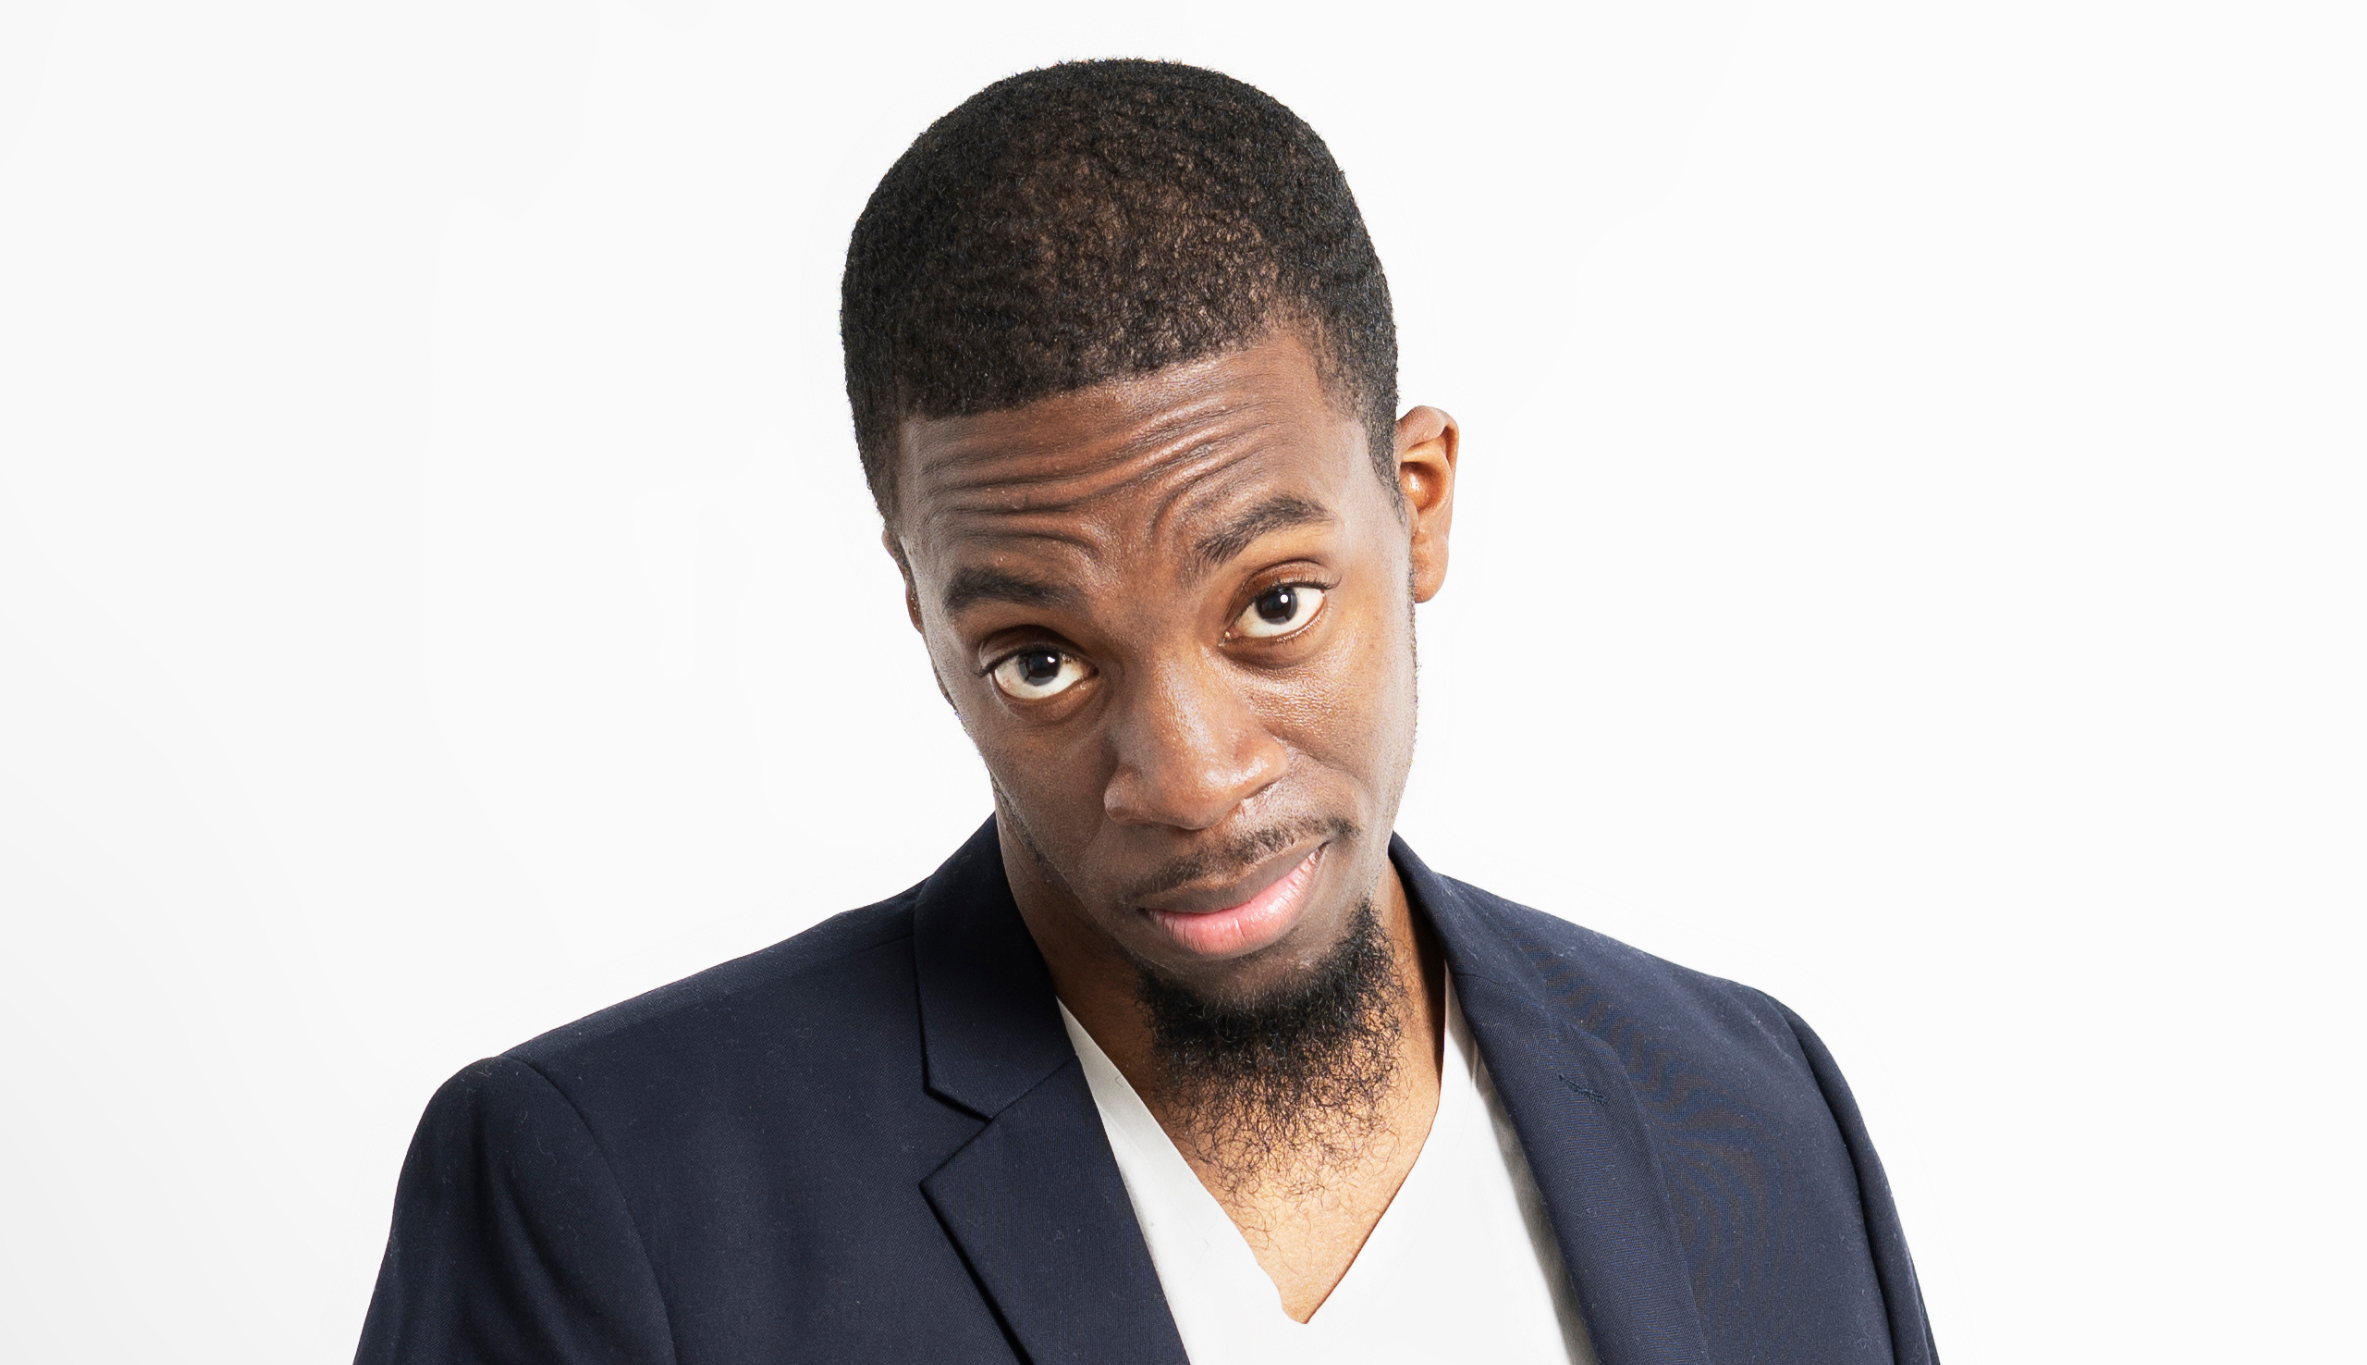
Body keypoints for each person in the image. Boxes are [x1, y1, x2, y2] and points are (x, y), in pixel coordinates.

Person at [354, 59, 1937, 1365]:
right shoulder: (617, 1198)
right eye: (1041, 660)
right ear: (924, 619)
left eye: (1272, 606)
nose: (1186, 779)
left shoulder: (1749, 1113)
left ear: (1418, 502)